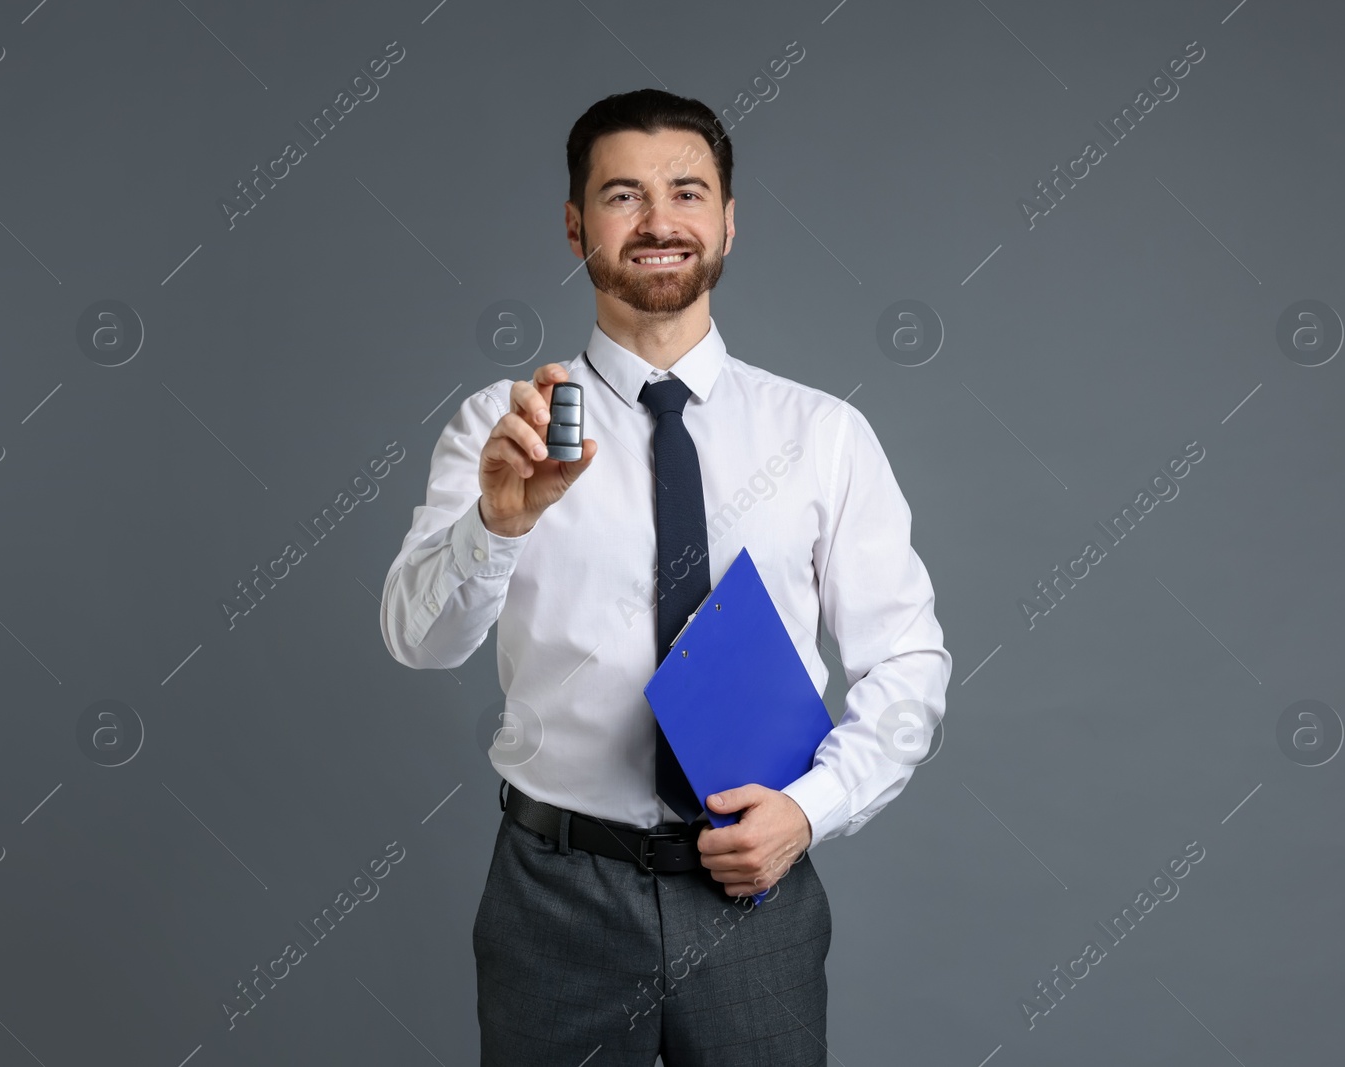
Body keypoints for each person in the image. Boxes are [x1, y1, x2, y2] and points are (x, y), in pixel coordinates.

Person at [380, 88, 950, 1066]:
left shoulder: (822, 435)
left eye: (687, 191)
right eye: (621, 195)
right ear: (574, 226)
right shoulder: (499, 429)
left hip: (750, 888)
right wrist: (497, 523)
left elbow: (909, 663)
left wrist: (809, 810)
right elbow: (417, 639)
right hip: (553, 892)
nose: (657, 221)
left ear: (728, 221)